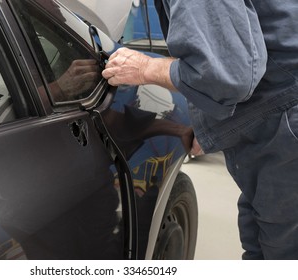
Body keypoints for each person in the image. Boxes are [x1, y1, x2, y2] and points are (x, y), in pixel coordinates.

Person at [102, 0, 298, 260]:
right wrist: (213, 123)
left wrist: (147, 68)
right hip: (276, 120)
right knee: (264, 245)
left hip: (285, 124)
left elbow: (227, 75)